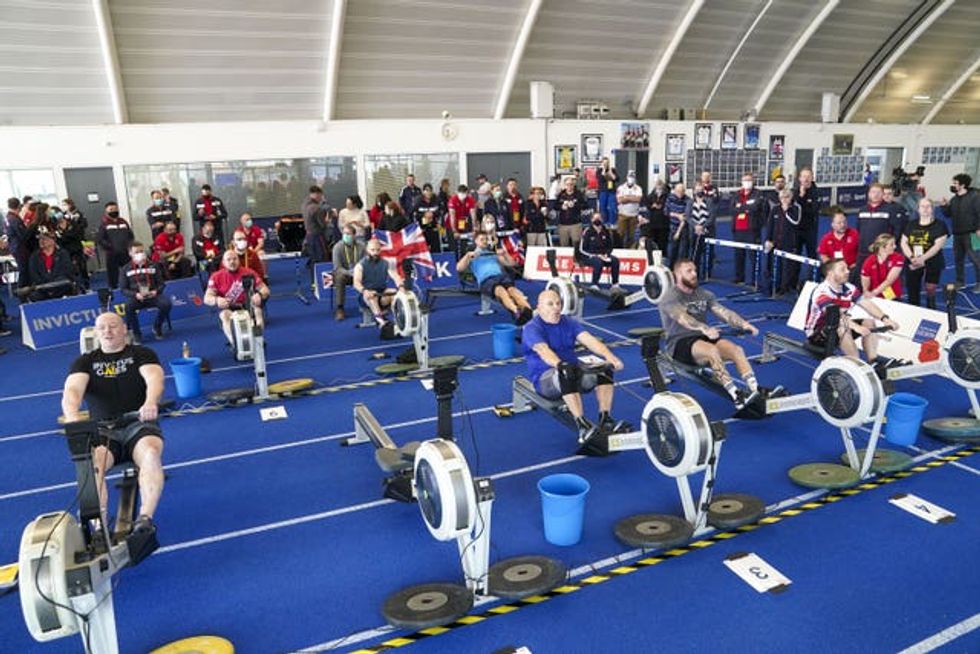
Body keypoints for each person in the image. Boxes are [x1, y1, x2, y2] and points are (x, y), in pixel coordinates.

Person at [61, 312, 165, 534]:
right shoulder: (85, 362)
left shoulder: (141, 353)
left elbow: (154, 378)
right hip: (104, 430)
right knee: (93, 464)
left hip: (138, 423)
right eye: (102, 328)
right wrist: (72, 417)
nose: (107, 331)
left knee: (150, 453)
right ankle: (99, 527)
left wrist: (150, 401)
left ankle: (145, 518)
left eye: (113, 326)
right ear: (96, 333)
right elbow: (72, 391)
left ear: (124, 328)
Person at [659, 258, 766, 409]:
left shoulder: (704, 294)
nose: (694, 274)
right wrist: (704, 328)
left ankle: (755, 390)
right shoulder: (669, 297)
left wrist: (743, 323)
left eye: (695, 270)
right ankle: (736, 396)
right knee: (712, 351)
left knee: (736, 350)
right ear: (677, 274)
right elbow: (682, 317)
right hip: (679, 343)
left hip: (703, 337)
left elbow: (722, 311)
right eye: (689, 271)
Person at [523, 289, 626, 443]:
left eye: (558, 303)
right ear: (538, 307)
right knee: (565, 372)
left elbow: (589, 340)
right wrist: (559, 364)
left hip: (573, 372)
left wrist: (610, 357)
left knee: (604, 368)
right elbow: (543, 350)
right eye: (550, 304)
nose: (556, 307)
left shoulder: (568, 322)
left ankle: (605, 418)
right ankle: (581, 425)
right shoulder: (532, 328)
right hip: (545, 380)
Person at [805, 258, 899, 368]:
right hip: (816, 334)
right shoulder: (822, 291)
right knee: (842, 326)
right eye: (842, 269)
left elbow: (866, 303)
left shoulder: (849, 288)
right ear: (830, 274)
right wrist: (856, 327)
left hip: (836, 326)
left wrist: (886, 319)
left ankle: (873, 361)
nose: (848, 271)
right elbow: (835, 315)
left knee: (869, 322)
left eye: (847, 268)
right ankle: (856, 365)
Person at [457, 231, 533, 324]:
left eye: (485, 239)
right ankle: (516, 312)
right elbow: (459, 268)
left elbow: (512, 264)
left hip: (501, 276)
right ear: (475, 241)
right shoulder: (472, 255)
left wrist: (505, 254)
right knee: (501, 290)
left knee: (513, 290)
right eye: (482, 239)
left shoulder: (492, 253)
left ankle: (530, 311)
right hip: (487, 280)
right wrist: (467, 256)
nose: (484, 241)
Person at [204, 249, 270, 351]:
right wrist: (217, 300)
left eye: (235, 259)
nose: (232, 262)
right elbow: (206, 298)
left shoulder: (249, 272)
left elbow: (265, 290)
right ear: (223, 262)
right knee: (224, 315)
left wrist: (259, 294)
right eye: (229, 259)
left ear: (238, 260)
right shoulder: (216, 277)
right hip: (229, 307)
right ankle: (235, 344)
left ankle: (258, 339)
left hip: (247, 304)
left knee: (258, 311)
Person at [901, 197, 949, 309]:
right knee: (912, 287)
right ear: (918, 209)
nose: (925, 209)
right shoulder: (911, 224)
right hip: (913, 260)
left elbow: (938, 245)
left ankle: (931, 307)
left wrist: (923, 258)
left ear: (933, 209)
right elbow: (904, 242)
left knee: (930, 288)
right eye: (922, 206)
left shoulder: (940, 225)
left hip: (933, 260)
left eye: (928, 206)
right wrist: (912, 257)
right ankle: (914, 308)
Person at [119, 241, 171, 343]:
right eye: (136, 252)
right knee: (128, 306)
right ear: (130, 253)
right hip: (137, 297)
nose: (140, 254)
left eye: (142, 251)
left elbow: (162, 283)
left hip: (153, 295)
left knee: (166, 304)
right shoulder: (125, 269)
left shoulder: (153, 265)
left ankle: (157, 326)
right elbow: (123, 289)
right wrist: (135, 295)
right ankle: (137, 333)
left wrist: (156, 291)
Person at [939, 173, 980, 291]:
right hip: (957, 234)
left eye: (955, 183)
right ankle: (960, 281)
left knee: (975, 259)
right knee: (958, 259)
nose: (953, 185)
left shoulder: (975, 197)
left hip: (971, 234)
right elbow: (948, 214)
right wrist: (944, 206)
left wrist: (978, 228)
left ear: (962, 185)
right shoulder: (954, 199)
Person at [353, 238, 403, 327]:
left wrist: (400, 286)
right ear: (367, 250)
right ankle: (382, 323)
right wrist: (365, 291)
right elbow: (356, 283)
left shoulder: (386, 263)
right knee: (372, 296)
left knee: (395, 293)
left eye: (378, 250)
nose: (375, 252)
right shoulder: (360, 265)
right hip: (367, 295)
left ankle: (397, 320)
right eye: (372, 250)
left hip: (381, 292)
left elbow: (395, 276)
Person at [856, 183, 904, 275]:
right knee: (862, 279)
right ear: (868, 194)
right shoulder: (862, 210)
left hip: (882, 253)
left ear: (882, 195)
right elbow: (859, 229)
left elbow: (897, 230)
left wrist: (888, 247)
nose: (876, 195)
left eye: (879, 192)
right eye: (873, 192)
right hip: (863, 252)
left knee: (882, 279)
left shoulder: (891, 209)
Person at [763, 189, 803, 295]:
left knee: (787, 267)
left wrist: (786, 211)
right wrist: (768, 239)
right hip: (775, 243)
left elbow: (796, 222)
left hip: (789, 243)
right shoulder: (775, 209)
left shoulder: (796, 208)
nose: (784, 200)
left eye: (787, 197)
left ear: (791, 197)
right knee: (775, 266)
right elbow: (770, 225)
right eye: (782, 197)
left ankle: (784, 288)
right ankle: (774, 286)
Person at [731, 172, 766, 285]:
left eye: (749, 180)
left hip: (752, 230)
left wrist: (741, 207)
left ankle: (755, 280)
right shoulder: (737, 194)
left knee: (753, 256)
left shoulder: (758, 193)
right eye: (745, 180)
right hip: (738, 230)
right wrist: (746, 208)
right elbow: (732, 209)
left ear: (753, 181)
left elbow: (755, 207)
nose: (747, 182)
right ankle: (739, 277)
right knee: (738, 255)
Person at [25, 228, 75, 301]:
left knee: (66, 286)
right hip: (42, 287)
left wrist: (52, 285)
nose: (41, 241)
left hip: (60, 285)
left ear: (53, 241)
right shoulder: (34, 257)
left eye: (44, 239)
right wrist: (46, 285)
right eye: (40, 239)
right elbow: (34, 275)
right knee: (34, 296)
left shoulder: (63, 254)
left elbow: (66, 271)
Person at [330, 223, 365, 321]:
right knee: (339, 277)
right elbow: (337, 267)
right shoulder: (337, 247)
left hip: (359, 273)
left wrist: (358, 272)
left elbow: (365, 263)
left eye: (348, 234)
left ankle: (371, 303)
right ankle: (340, 308)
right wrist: (349, 272)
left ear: (354, 235)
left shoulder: (361, 246)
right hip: (344, 274)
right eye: (344, 234)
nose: (346, 236)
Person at [579, 212, 620, 292]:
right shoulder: (587, 231)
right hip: (589, 256)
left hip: (604, 256)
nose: (597, 220)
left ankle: (615, 284)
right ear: (591, 220)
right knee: (598, 262)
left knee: (615, 260)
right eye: (595, 218)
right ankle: (594, 284)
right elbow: (582, 249)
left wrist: (606, 254)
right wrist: (596, 255)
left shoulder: (606, 231)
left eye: (599, 218)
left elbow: (610, 246)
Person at [97, 202, 133, 290]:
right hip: (112, 253)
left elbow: (130, 235)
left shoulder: (123, 222)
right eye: (111, 210)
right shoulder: (104, 224)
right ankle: (114, 289)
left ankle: (130, 286)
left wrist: (129, 246)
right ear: (106, 211)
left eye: (115, 209)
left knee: (129, 271)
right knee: (113, 274)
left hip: (125, 252)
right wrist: (111, 247)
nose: (114, 211)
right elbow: (100, 239)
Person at [818, 207, 860, 282]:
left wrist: (856, 263)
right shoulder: (826, 238)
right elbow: (823, 256)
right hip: (835, 271)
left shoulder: (855, 234)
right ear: (832, 224)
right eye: (839, 223)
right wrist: (834, 267)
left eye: (844, 222)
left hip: (852, 269)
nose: (843, 225)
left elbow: (862, 252)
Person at [860, 234, 904, 303]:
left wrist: (874, 293)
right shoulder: (869, 260)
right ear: (883, 247)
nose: (895, 247)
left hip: (892, 295)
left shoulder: (898, 257)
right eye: (891, 245)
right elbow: (865, 277)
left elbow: (889, 280)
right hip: (874, 297)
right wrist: (866, 291)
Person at [58, 198, 89, 290]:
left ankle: (86, 284)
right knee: (71, 268)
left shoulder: (77, 215)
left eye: (65, 204)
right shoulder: (60, 220)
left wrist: (67, 234)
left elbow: (81, 227)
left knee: (82, 266)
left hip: (78, 244)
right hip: (66, 249)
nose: (64, 206)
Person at [686, 180, 717, 269]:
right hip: (694, 232)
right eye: (697, 190)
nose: (699, 191)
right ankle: (696, 271)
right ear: (694, 191)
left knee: (708, 253)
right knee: (695, 253)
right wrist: (696, 226)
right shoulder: (690, 202)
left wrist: (702, 226)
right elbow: (688, 216)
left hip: (707, 231)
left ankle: (707, 273)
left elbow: (712, 217)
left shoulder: (709, 201)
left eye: (700, 189)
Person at [794, 167, 821, 265]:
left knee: (812, 254)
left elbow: (813, 210)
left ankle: (814, 278)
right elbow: (794, 210)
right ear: (799, 178)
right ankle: (794, 279)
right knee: (795, 255)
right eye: (804, 176)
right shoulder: (796, 192)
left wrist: (802, 201)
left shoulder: (816, 192)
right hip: (797, 229)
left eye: (808, 176)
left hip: (810, 229)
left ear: (812, 178)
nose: (806, 179)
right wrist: (801, 196)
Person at [555, 176, 587, 247]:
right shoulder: (561, 194)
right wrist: (561, 207)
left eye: (571, 184)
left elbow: (585, 206)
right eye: (567, 184)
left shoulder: (578, 194)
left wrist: (575, 205)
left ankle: (577, 258)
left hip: (575, 224)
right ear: (565, 185)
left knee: (576, 245)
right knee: (563, 245)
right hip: (563, 224)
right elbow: (555, 206)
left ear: (574, 185)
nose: (569, 186)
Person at [640, 180, 670, 256]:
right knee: (653, 243)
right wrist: (652, 206)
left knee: (662, 243)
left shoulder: (667, 196)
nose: (659, 187)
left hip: (664, 224)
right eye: (657, 185)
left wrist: (661, 206)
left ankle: (663, 258)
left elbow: (668, 206)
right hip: (653, 224)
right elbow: (647, 205)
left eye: (660, 186)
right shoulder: (650, 196)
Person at [615, 170, 643, 248]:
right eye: (630, 177)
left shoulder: (638, 188)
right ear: (627, 177)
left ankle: (630, 250)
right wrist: (632, 198)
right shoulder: (621, 187)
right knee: (620, 234)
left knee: (632, 236)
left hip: (634, 215)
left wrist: (626, 197)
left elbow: (638, 199)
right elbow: (619, 200)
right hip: (622, 215)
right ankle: (619, 250)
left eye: (633, 177)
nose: (631, 178)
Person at [446, 184, 477, 251]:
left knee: (464, 245)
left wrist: (474, 228)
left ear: (467, 193)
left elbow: (473, 214)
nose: (462, 195)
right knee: (453, 246)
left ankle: (464, 256)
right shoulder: (453, 200)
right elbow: (452, 216)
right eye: (460, 193)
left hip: (463, 223)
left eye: (464, 193)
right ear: (457, 192)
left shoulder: (470, 199)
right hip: (451, 224)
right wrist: (454, 231)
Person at [664, 182, 688, 265]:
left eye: (682, 191)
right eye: (678, 191)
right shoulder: (670, 198)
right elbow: (666, 212)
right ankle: (670, 269)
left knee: (682, 252)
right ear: (674, 191)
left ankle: (679, 270)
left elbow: (684, 218)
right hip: (672, 227)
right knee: (671, 252)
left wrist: (678, 232)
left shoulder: (687, 200)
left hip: (683, 228)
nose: (680, 193)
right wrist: (677, 215)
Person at [597, 157, 619, 223]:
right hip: (603, 191)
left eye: (607, 163)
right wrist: (603, 170)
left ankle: (612, 223)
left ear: (609, 163)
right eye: (604, 163)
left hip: (611, 192)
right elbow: (600, 179)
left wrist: (611, 172)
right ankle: (604, 222)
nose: (605, 164)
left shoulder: (613, 170)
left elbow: (617, 179)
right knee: (603, 207)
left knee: (612, 207)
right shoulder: (599, 170)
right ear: (602, 163)